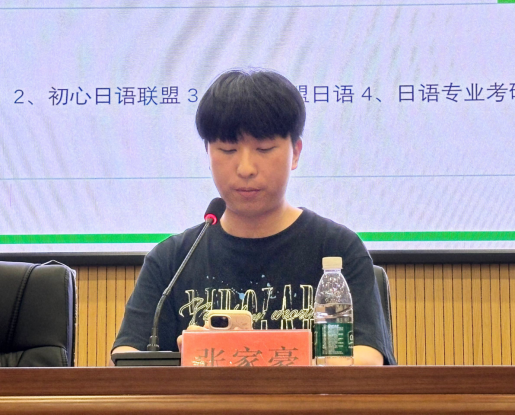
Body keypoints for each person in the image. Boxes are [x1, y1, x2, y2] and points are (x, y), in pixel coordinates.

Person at [112, 68, 396, 365]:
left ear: (295, 152)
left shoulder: (337, 249)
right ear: (208, 153)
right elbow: (126, 359)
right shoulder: (172, 260)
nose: (245, 168)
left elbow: (368, 358)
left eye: (264, 149)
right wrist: (189, 361)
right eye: (228, 150)